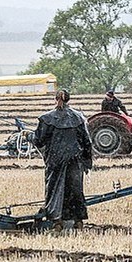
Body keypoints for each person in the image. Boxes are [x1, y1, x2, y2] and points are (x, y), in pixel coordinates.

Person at [31, 89, 93, 231]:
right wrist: (87, 161)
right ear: (68, 100)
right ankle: (78, 220)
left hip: (55, 160)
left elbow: (39, 141)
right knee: (75, 189)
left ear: (55, 99)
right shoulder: (78, 118)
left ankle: (56, 221)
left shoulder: (46, 118)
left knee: (55, 189)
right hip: (75, 159)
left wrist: (31, 138)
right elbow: (87, 142)